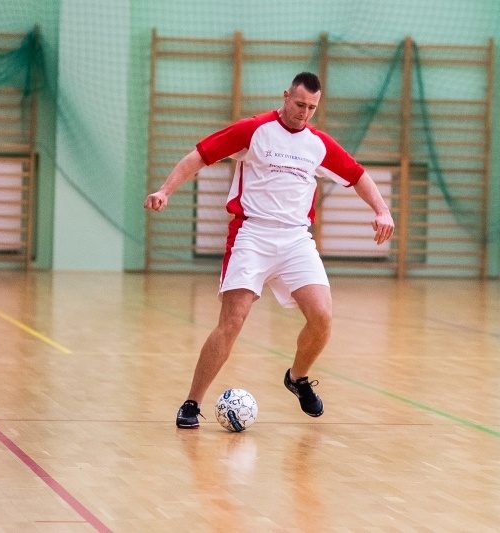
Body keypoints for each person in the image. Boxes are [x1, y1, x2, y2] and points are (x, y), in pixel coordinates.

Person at [144, 72, 395, 428]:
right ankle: (192, 402)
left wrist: (382, 210)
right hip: (252, 235)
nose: (304, 112)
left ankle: (298, 377)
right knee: (233, 321)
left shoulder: (318, 144)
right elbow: (199, 155)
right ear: (285, 96)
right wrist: (165, 190)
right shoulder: (255, 130)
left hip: (296, 239)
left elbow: (357, 175)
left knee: (322, 316)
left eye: (311, 107)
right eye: (299, 104)